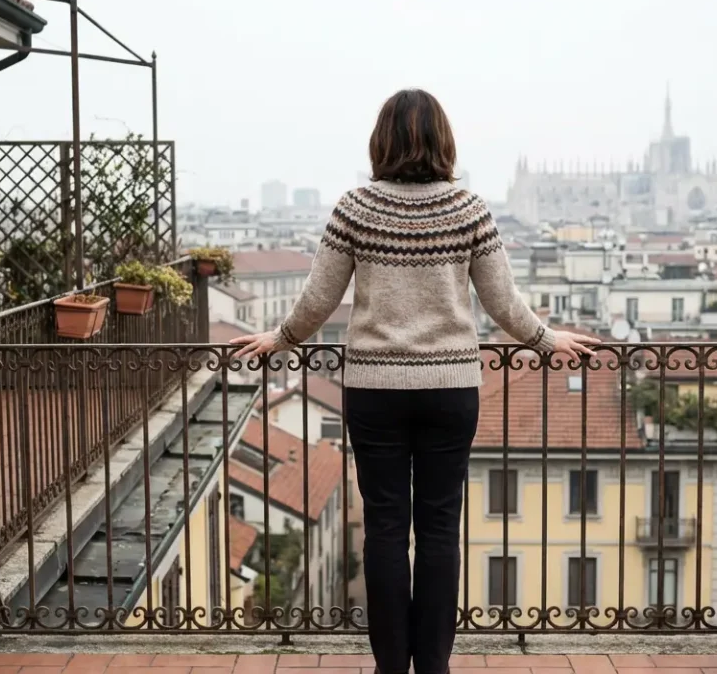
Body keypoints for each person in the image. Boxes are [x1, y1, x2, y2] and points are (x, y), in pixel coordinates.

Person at [230, 88, 598, 674]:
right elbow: (503, 304)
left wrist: (282, 339)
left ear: (382, 141)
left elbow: (320, 299)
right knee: (438, 529)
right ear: (443, 141)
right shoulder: (470, 208)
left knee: (383, 528)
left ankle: (388, 668)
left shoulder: (355, 207)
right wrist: (549, 342)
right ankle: (433, 665)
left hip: (374, 388)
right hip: (451, 389)